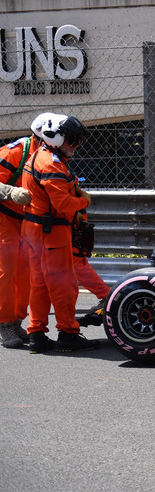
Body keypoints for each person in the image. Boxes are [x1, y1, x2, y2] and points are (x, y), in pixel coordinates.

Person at [21, 115, 96, 353]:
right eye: (73, 140)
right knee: (64, 283)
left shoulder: (42, 155)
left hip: (35, 230)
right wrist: (83, 202)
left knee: (39, 285)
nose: (76, 145)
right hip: (50, 232)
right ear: (58, 138)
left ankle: (37, 334)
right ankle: (68, 333)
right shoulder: (52, 163)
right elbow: (63, 203)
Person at [0, 113, 60, 348]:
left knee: (27, 271)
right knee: (7, 266)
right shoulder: (14, 151)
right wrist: (10, 192)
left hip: (27, 220)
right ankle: (4, 322)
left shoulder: (53, 155)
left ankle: (15, 319)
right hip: (4, 215)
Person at [72, 216, 110, 327]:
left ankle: (67, 326)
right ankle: (66, 328)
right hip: (61, 222)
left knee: (66, 279)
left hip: (70, 219)